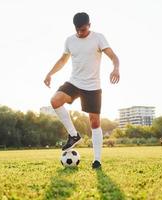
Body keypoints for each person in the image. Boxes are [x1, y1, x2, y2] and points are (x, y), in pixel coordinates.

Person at [44, 12, 120, 169]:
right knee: (55, 100)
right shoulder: (69, 40)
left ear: (89, 26)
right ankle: (73, 135)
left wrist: (116, 68)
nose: (80, 32)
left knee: (94, 121)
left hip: (92, 86)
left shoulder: (98, 38)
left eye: (83, 29)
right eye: (77, 29)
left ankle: (97, 159)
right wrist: (50, 73)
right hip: (74, 82)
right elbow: (63, 60)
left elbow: (113, 56)